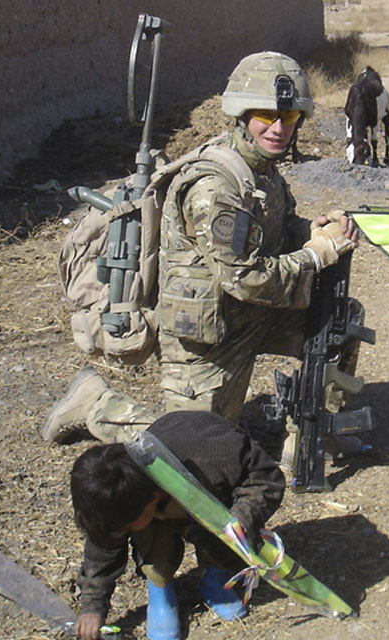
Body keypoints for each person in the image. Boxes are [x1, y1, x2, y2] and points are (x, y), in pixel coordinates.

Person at [41, 52, 364, 452]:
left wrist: (308, 231)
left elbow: (273, 232)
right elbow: (245, 278)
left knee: (341, 319)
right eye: (266, 114)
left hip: (254, 315)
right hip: (208, 340)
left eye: (290, 117)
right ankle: (95, 404)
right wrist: (315, 256)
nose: (279, 128)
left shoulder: (262, 168)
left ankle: (312, 435)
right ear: (241, 115)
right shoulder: (215, 187)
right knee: (195, 454)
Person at [69, 410, 285, 640]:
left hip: (210, 486)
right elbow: (104, 544)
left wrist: (242, 519)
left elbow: (267, 480)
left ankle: (217, 577)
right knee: (146, 530)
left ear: (151, 502)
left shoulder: (219, 456)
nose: (120, 534)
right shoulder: (119, 489)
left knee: (226, 523)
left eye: (125, 528)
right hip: (162, 497)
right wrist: (93, 606)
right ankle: (160, 591)